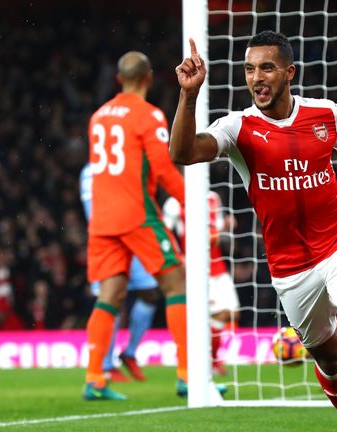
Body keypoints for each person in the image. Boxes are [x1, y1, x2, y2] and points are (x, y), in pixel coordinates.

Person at [170, 32, 337, 431]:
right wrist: (188, 95)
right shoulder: (237, 128)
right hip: (290, 268)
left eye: (266, 67)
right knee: (331, 360)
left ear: (289, 72)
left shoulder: (325, 113)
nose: (256, 78)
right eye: (249, 69)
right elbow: (182, 153)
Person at [82, 51, 190, 401]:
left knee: (109, 296)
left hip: (102, 220)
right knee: (177, 284)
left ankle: (95, 378)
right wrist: (192, 202)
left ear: (118, 79)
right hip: (136, 214)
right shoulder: (149, 115)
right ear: (149, 78)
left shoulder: (98, 117)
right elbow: (162, 168)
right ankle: (189, 375)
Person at [80, 162, 161, 382]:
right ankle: (104, 366)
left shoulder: (124, 165)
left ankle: (130, 352)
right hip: (110, 243)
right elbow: (92, 212)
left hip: (134, 240)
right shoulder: (91, 172)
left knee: (151, 292)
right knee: (112, 300)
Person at [163, 190, 241, 376]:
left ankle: (208, 361)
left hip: (218, 265)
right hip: (195, 267)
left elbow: (217, 230)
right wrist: (177, 256)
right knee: (209, 315)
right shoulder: (174, 201)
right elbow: (166, 231)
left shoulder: (214, 197)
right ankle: (205, 362)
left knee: (231, 313)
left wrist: (227, 227)